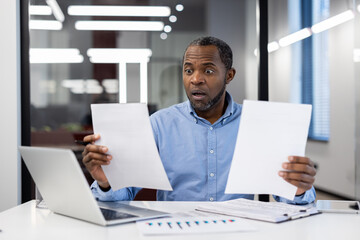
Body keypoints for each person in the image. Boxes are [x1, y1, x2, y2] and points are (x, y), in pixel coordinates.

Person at [82, 36, 316, 204]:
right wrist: (107, 182)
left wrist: (298, 189)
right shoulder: (159, 124)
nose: (196, 79)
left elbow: (287, 199)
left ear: (229, 75)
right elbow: (123, 195)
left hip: (238, 232)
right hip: (175, 231)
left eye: (208, 71)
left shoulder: (256, 125)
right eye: (188, 70)